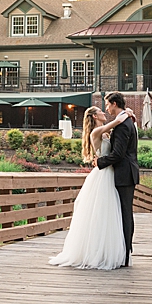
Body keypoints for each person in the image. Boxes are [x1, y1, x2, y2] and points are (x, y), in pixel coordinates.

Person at [48, 103, 134, 270]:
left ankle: (106, 249)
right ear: (95, 116)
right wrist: (124, 114)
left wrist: (127, 113)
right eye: (101, 111)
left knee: (107, 213)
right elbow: (117, 121)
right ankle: (97, 251)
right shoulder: (96, 132)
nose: (104, 112)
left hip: (109, 173)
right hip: (103, 175)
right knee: (101, 212)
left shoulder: (104, 132)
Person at [97, 91, 140, 267]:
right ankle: (125, 253)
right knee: (125, 213)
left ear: (114, 103)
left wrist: (99, 161)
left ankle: (125, 255)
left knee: (124, 214)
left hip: (124, 174)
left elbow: (118, 154)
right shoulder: (127, 120)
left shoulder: (122, 125)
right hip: (128, 173)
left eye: (107, 104)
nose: (106, 108)